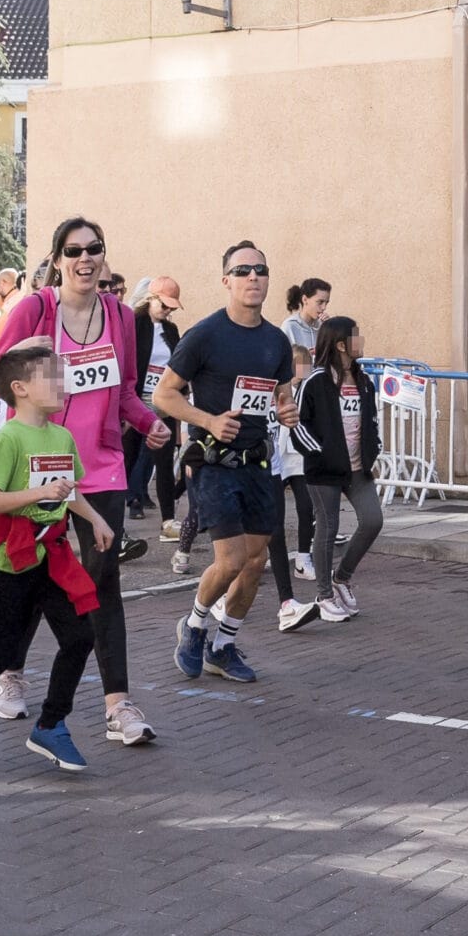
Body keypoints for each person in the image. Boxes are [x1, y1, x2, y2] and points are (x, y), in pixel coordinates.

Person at [0, 217, 162, 744]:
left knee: (103, 576)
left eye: (94, 249)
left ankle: (118, 704)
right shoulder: (35, 309)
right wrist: (22, 353)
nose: (85, 259)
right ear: (58, 259)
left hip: (101, 466)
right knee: (31, 571)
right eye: (74, 250)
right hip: (41, 466)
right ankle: (10, 670)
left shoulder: (120, 315)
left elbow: (125, 391)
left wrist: (149, 424)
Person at [0, 340, 117, 771]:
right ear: (20, 388)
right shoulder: (8, 438)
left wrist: (96, 519)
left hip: (52, 557)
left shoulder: (62, 436)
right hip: (9, 562)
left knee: (80, 636)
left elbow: (68, 490)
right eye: (52, 378)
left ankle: (51, 725)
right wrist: (39, 493)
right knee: (0, 650)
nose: (63, 384)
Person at [157, 241, 299, 685]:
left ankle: (223, 646)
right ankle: (194, 625)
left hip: (258, 463)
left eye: (260, 270)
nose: (253, 277)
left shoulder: (276, 340)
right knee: (232, 559)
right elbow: (164, 394)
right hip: (214, 462)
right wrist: (209, 421)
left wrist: (286, 409)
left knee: (256, 562)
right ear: (226, 281)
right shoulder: (205, 334)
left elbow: (280, 393)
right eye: (242, 271)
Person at [295, 315, 383, 621]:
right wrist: (321, 453)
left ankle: (341, 578)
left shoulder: (364, 381)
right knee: (328, 527)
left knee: (372, 520)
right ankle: (324, 596)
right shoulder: (316, 381)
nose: (362, 340)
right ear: (342, 344)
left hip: (358, 469)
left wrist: (374, 450)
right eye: (356, 335)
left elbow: (371, 422)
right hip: (324, 470)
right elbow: (298, 425)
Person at [267, 344, 325, 632]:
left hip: (291, 460)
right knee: (257, 533)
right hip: (264, 462)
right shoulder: (271, 386)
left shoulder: (304, 389)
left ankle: (300, 566)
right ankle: (223, 592)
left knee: (302, 509)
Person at [279, 280, 333, 572]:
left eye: (326, 302)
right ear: (304, 299)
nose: (323, 307)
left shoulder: (322, 328)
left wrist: (329, 331)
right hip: (284, 427)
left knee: (307, 501)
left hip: (307, 421)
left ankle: (303, 555)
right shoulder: (289, 328)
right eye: (319, 302)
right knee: (270, 505)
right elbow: (285, 366)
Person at [133, 277, 185, 539]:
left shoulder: (171, 330)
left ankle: (168, 520)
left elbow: (178, 365)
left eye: (171, 307)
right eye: (164, 305)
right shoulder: (134, 324)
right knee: (128, 458)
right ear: (150, 299)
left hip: (163, 402)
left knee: (164, 463)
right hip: (136, 401)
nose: (167, 311)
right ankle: (121, 516)